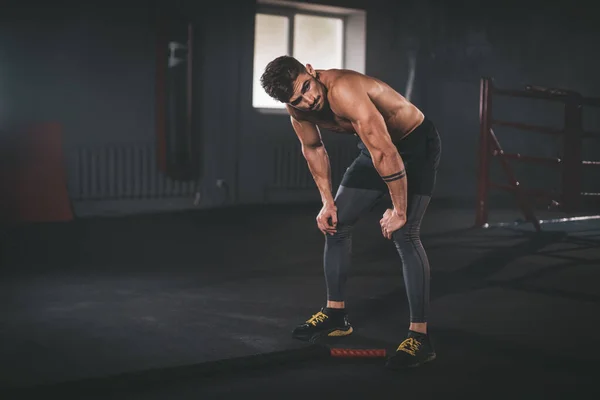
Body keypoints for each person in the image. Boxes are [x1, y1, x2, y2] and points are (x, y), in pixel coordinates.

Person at [260, 55, 441, 369]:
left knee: (405, 232)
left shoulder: (343, 89)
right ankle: (335, 315)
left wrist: (398, 209)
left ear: (310, 69)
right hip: (374, 149)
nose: (309, 99)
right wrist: (327, 202)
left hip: (415, 144)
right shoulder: (298, 108)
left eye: (306, 87)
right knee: (336, 223)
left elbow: (386, 149)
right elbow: (313, 148)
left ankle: (420, 338)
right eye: (297, 99)